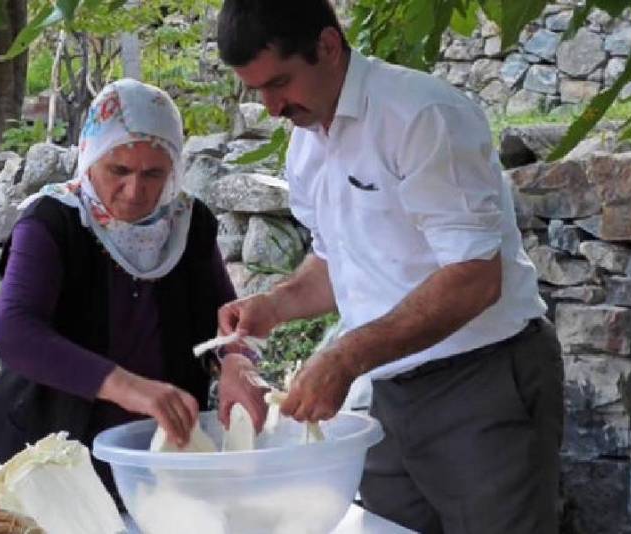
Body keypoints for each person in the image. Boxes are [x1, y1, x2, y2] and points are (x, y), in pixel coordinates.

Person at [213, 2, 564, 532]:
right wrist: (275, 305)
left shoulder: (421, 115)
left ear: (328, 46)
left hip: (482, 378)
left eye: (279, 82)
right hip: (387, 391)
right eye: (256, 90)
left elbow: (475, 277)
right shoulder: (306, 146)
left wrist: (344, 358)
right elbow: (341, 260)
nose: (270, 107)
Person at [0, 79, 238, 498]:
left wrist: (237, 361)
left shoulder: (187, 223)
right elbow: (12, 331)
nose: (135, 191)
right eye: (119, 170)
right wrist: (130, 387)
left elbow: (226, 319)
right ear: (90, 156)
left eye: (153, 174)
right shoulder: (53, 221)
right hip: (51, 459)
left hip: (156, 458)